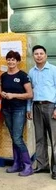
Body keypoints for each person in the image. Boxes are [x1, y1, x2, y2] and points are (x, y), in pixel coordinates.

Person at [0, 50, 33, 176]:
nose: (10, 62)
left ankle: (27, 166)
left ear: (18, 61)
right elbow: (2, 91)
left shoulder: (23, 76)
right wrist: (3, 94)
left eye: (13, 59)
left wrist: (13, 95)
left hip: (19, 109)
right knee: (14, 137)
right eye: (9, 59)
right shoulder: (3, 76)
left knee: (18, 138)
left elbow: (30, 94)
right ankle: (17, 163)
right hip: (6, 109)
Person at [27, 45, 56, 179]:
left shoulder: (53, 70)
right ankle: (42, 165)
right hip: (36, 106)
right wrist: (29, 108)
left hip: (51, 106)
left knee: (54, 139)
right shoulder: (31, 72)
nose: (39, 56)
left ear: (46, 55)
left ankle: (55, 169)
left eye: (41, 53)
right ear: (33, 56)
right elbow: (30, 92)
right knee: (39, 138)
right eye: (36, 54)